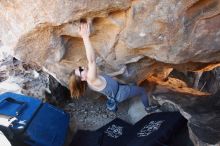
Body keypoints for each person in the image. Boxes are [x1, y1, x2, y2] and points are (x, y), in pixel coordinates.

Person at [69, 21, 158, 112]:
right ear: (82, 78)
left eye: (80, 67)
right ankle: (148, 108)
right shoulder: (92, 79)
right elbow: (91, 61)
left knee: (130, 85)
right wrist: (85, 37)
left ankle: (131, 87)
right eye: (80, 70)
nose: (82, 67)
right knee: (142, 91)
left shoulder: (91, 79)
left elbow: (107, 79)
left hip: (118, 89)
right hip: (121, 93)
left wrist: (119, 72)